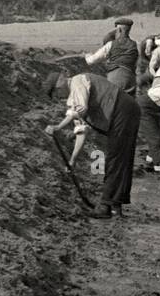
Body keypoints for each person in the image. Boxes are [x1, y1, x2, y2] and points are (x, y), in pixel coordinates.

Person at [45, 57, 140, 219]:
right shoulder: (73, 99)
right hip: (120, 115)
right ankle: (115, 206)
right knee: (119, 159)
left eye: (55, 92)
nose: (57, 97)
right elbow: (81, 131)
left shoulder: (78, 81)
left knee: (115, 159)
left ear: (61, 80)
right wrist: (72, 160)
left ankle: (105, 206)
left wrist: (58, 127)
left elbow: (81, 109)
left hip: (123, 110)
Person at [85, 17, 138, 93]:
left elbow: (91, 61)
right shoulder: (134, 44)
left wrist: (87, 55)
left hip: (115, 77)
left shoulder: (111, 44)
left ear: (119, 30)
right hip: (131, 78)